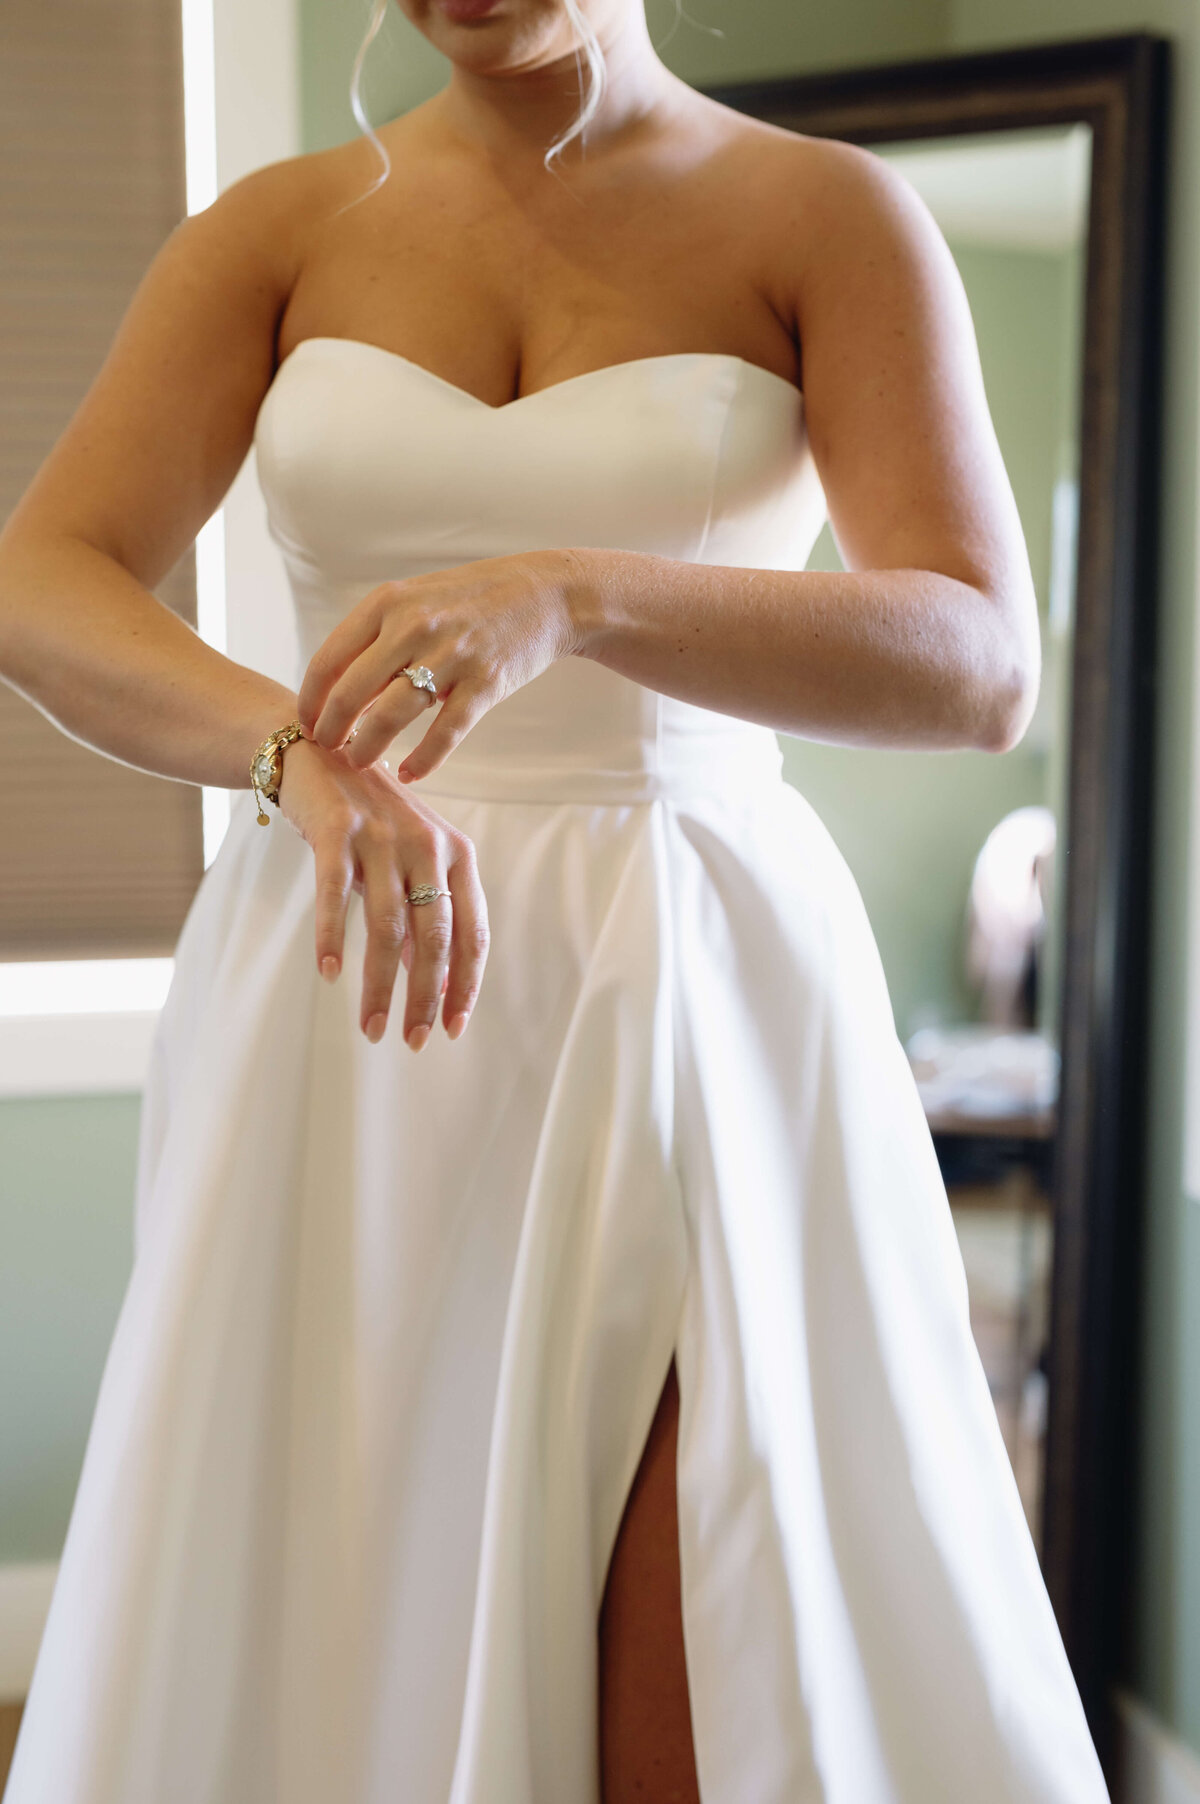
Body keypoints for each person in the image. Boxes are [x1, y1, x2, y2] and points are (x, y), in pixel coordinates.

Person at [0, 1, 1111, 1799]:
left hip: (689, 974)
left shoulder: (823, 216)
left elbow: (980, 658)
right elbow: (43, 577)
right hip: (347, 989)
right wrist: (295, 758)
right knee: (343, 1602)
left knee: (706, 1636)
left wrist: (577, 594)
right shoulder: (273, 236)